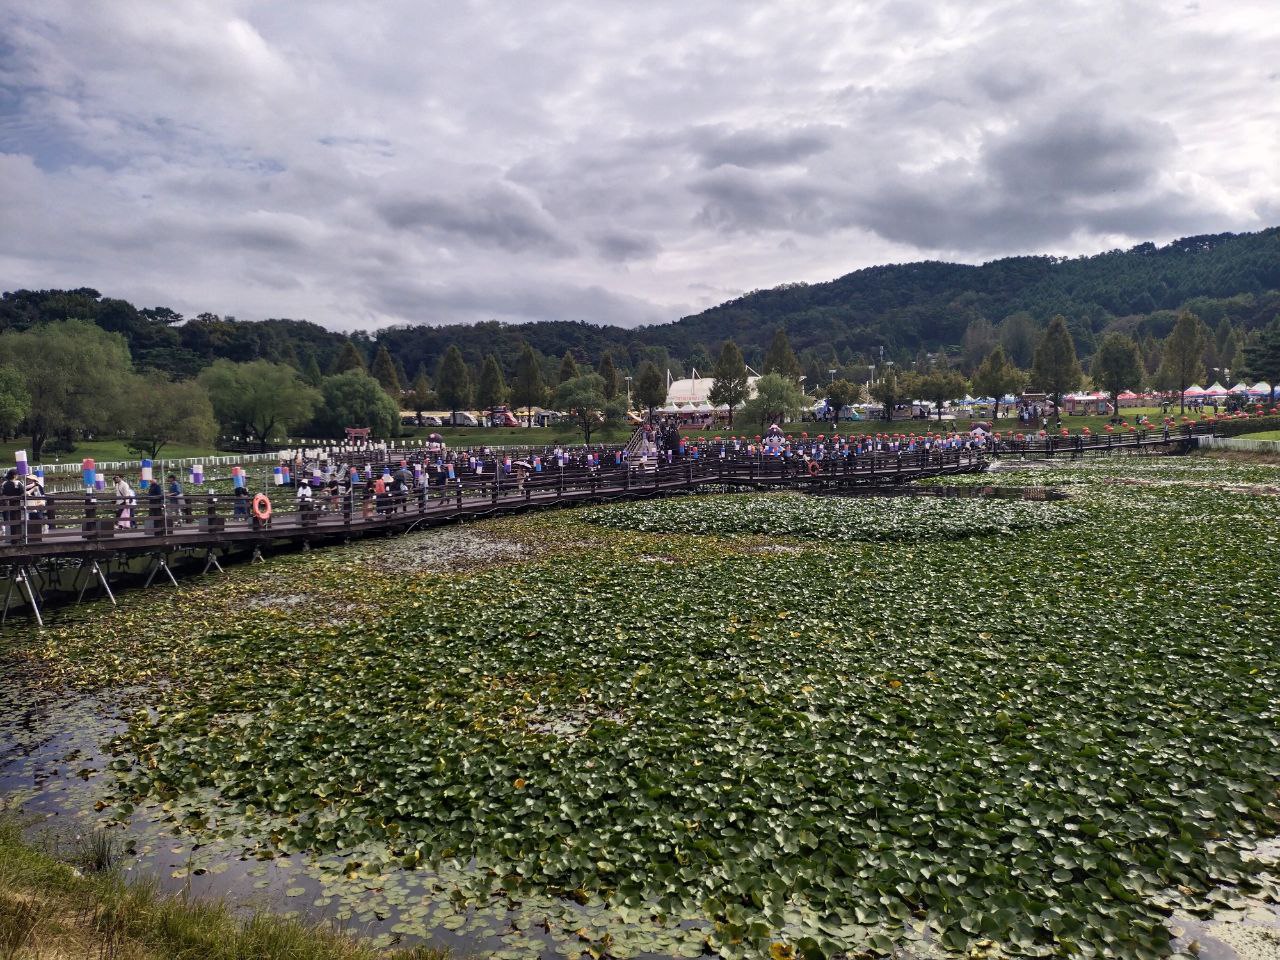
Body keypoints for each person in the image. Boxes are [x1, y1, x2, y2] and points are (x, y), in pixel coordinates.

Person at [2, 469, 23, 543]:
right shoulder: (17, 483)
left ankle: (9, 537)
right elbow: (22, 493)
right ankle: (17, 538)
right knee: (17, 520)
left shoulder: (4, 483)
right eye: (17, 474)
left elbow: (3, 493)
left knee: (8, 520)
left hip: (6, 504)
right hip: (16, 504)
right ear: (14, 475)